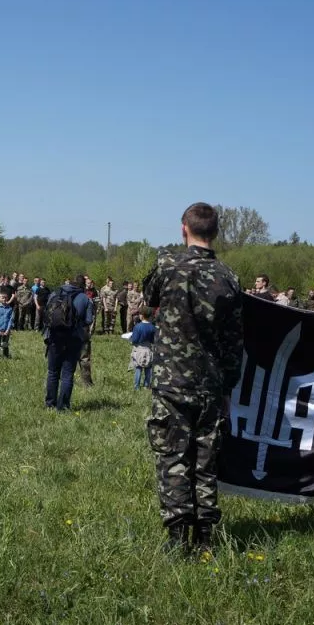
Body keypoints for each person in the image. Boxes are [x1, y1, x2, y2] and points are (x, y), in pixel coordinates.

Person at [143, 202, 242, 554]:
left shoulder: (167, 265)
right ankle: (203, 538)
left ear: (184, 227)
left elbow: (148, 298)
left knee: (172, 457)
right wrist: (229, 387)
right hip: (211, 385)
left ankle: (177, 537)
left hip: (172, 382)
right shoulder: (229, 278)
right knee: (205, 460)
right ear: (215, 232)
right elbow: (235, 343)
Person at [43, 274, 94, 411]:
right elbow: (89, 320)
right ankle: (63, 406)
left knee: (53, 372)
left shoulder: (55, 293)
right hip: (73, 338)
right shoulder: (85, 298)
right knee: (67, 373)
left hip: (54, 337)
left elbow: (47, 314)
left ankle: (50, 404)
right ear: (82, 285)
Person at [129, 307, 156, 390]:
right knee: (148, 368)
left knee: (138, 368)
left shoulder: (137, 326)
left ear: (142, 315)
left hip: (139, 349)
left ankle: (136, 386)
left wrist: (131, 340)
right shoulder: (152, 327)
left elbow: (135, 340)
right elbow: (153, 340)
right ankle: (146, 385)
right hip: (148, 349)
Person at [0, 292, 14, 358]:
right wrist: (0, 329)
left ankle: (5, 355)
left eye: (5, 298)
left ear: (7, 299)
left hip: (6, 329)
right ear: (0, 299)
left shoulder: (10, 309)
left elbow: (11, 319)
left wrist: (8, 329)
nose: (4, 299)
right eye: (2, 298)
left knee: (5, 343)